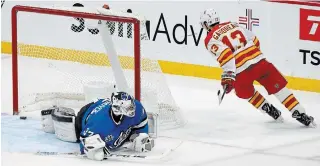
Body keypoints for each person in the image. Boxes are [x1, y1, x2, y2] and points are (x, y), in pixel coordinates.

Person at [200, 9, 316, 127]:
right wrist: (255, 56)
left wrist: (228, 78)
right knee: (279, 88)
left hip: (241, 72)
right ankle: (300, 113)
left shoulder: (210, 39)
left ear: (205, 24)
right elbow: (254, 39)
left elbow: (226, 55)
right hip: (260, 63)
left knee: (245, 92)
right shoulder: (233, 24)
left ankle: (267, 108)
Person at [40, 91, 154, 161]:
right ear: (118, 110)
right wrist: (94, 150)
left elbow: (142, 122)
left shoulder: (137, 107)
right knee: (71, 134)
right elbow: (83, 140)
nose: (132, 111)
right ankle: (53, 117)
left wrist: (141, 135)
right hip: (86, 114)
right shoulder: (98, 124)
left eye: (131, 107)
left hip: (101, 105)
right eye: (127, 109)